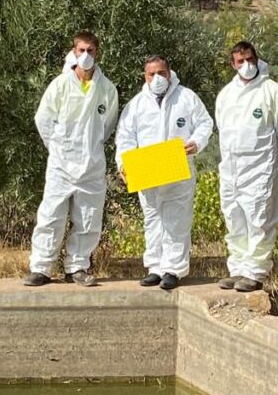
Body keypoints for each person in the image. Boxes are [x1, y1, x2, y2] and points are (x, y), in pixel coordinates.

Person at [24, 31, 119, 288]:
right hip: (61, 164)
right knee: (51, 214)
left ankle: (77, 266)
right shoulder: (60, 85)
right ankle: (41, 267)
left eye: (90, 50)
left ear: (97, 53)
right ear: (73, 52)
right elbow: (43, 119)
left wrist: (91, 146)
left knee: (88, 217)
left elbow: (108, 124)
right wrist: (57, 147)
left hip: (92, 163)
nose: (86, 55)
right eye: (81, 50)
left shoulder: (107, 89)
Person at [114, 55, 214, 292]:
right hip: (147, 169)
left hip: (178, 168)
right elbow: (125, 137)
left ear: (170, 73)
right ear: (145, 76)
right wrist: (123, 163)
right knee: (153, 219)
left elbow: (205, 123)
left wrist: (196, 142)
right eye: (152, 74)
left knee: (177, 220)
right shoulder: (136, 105)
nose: (157, 78)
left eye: (162, 73)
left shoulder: (186, 98)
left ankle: (173, 269)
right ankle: (155, 268)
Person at [215, 41, 278, 293]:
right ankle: (237, 267)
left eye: (249, 59)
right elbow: (222, 129)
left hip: (261, 166)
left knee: (259, 217)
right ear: (233, 64)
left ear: (256, 58)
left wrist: (268, 157)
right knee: (234, 215)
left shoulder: (272, 91)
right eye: (240, 61)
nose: (246, 65)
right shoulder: (226, 94)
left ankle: (255, 271)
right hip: (230, 167)